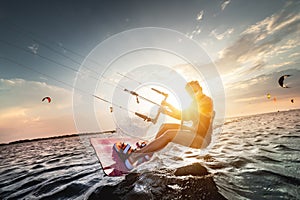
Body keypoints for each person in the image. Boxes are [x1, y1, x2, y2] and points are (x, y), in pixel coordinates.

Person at [124, 80, 214, 170]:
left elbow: (184, 116)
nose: (193, 95)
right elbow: (182, 114)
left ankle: (136, 155)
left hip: (202, 138)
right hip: (194, 131)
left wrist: (167, 111)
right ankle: (149, 151)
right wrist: (168, 105)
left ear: (201, 89)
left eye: (195, 91)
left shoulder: (206, 101)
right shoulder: (194, 102)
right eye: (190, 93)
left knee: (169, 134)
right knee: (165, 126)